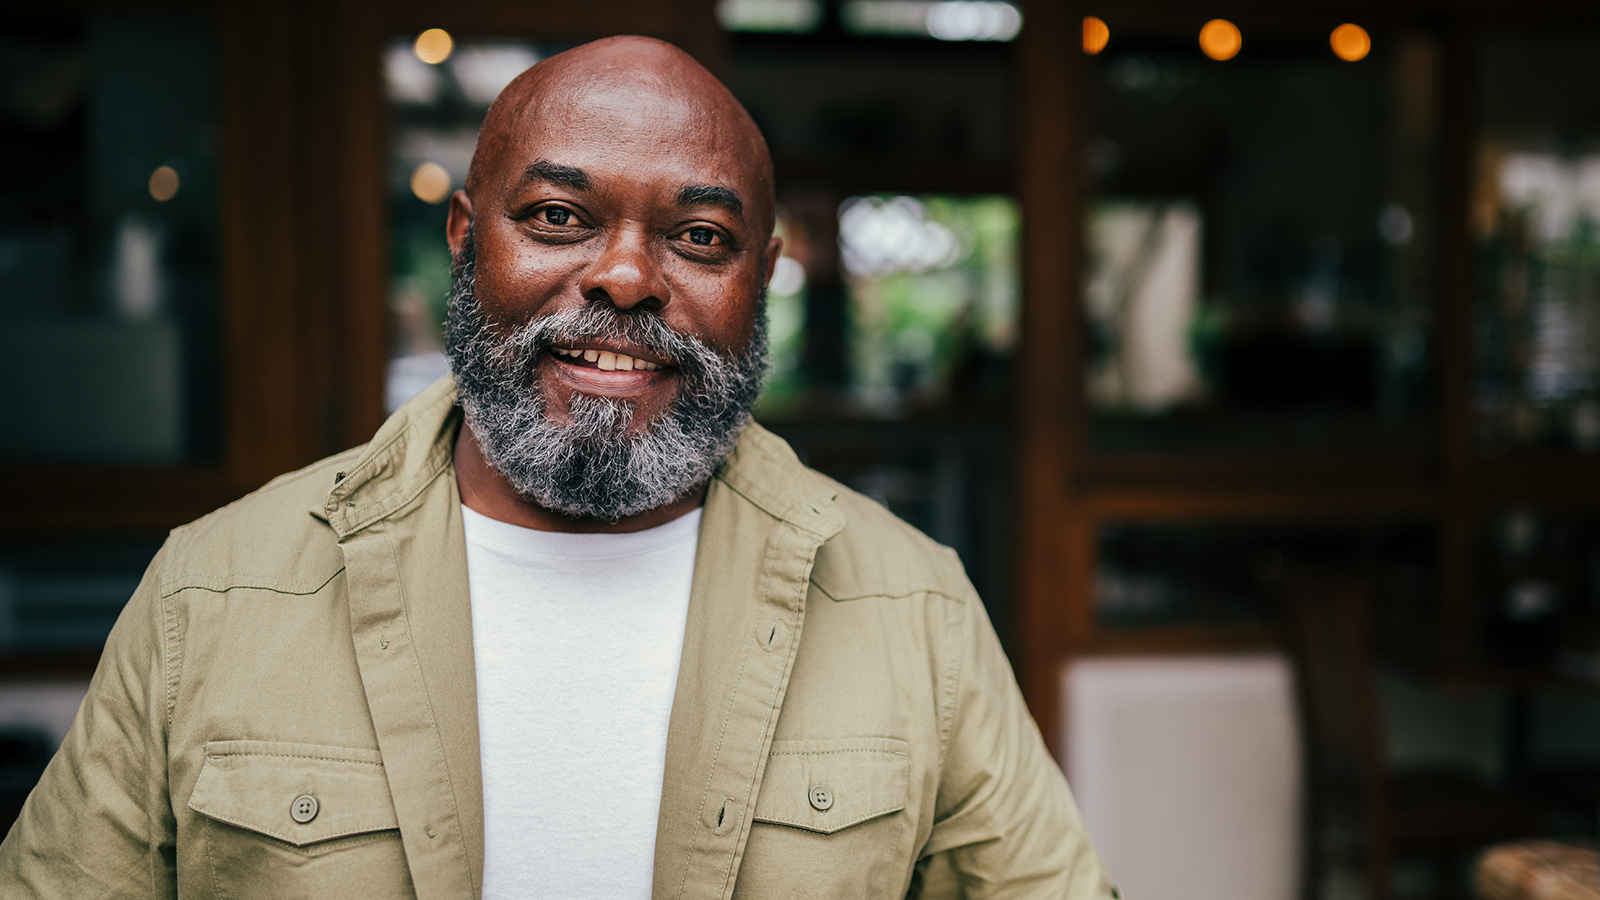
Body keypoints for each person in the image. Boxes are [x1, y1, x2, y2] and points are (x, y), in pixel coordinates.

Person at [0, 36, 1113, 899]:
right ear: (464, 237)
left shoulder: (910, 607)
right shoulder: (215, 593)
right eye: (556, 217)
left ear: (765, 274)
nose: (625, 277)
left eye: (701, 238)